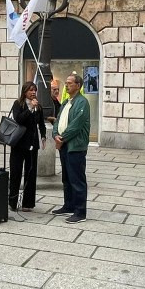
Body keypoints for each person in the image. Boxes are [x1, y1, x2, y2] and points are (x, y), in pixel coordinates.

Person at [52, 74, 91, 224]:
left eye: (69, 83)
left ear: (78, 85)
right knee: (66, 178)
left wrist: (62, 138)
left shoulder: (82, 103)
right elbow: (58, 119)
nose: (66, 86)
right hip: (64, 145)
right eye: (66, 83)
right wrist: (55, 134)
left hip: (75, 146)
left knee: (77, 179)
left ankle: (80, 212)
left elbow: (76, 125)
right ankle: (68, 205)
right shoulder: (66, 102)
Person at [9, 81, 48, 211]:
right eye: (30, 90)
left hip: (32, 143)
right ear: (25, 92)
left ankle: (28, 203)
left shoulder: (38, 106)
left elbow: (41, 123)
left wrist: (43, 136)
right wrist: (30, 108)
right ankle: (13, 202)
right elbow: (19, 119)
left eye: (34, 90)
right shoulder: (18, 104)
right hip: (19, 143)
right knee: (16, 172)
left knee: (30, 174)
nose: (33, 93)